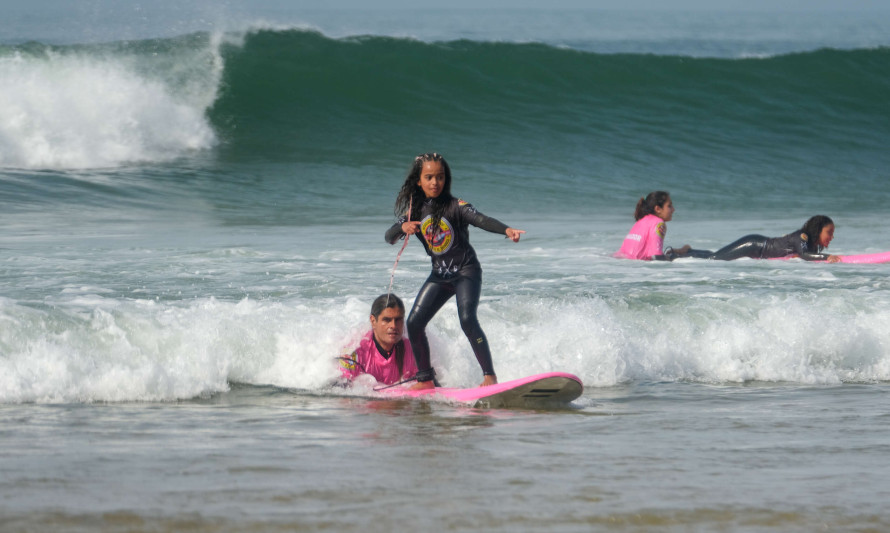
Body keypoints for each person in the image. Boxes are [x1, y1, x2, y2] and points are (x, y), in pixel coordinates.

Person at [385, 152, 525, 390]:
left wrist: (507, 229)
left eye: (440, 177)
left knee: (467, 319)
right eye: (428, 177)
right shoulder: (415, 211)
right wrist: (402, 227)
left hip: (466, 273)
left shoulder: (456, 206)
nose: (434, 183)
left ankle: (489, 376)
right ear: (419, 181)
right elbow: (389, 237)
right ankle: (425, 379)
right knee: (415, 323)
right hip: (440, 276)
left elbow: (481, 219)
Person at [339, 294, 418, 385]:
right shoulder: (354, 350)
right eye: (387, 320)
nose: (393, 325)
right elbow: (339, 390)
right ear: (373, 321)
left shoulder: (412, 350)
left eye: (398, 320)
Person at [706, 215, 840, 262]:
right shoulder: (802, 237)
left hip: (759, 248)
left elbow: (806, 256)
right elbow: (804, 255)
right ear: (818, 230)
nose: (832, 237)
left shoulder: (811, 245)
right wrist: (826, 257)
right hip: (754, 245)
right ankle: (687, 253)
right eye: (829, 232)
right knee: (715, 259)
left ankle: (688, 252)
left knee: (716, 256)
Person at [615, 191, 705, 261]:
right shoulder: (659, 223)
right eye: (669, 206)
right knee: (697, 254)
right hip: (637, 268)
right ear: (658, 209)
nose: (673, 209)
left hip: (621, 263)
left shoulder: (640, 221)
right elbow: (657, 257)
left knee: (682, 252)